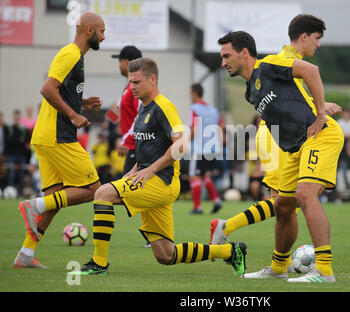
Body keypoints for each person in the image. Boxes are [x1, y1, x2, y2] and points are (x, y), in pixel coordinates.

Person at [70, 58, 247, 276]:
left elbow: (181, 144)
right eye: (130, 82)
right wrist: (134, 172)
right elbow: (146, 152)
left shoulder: (163, 106)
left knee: (102, 194)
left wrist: (150, 170)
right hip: (151, 180)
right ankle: (229, 251)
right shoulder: (143, 109)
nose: (132, 86)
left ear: (153, 79)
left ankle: (99, 263)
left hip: (162, 183)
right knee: (165, 255)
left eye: (137, 82)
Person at [218, 14, 344, 283]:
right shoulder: (251, 91)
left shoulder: (270, 64)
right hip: (293, 149)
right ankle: (278, 268)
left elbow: (311, 71)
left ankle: (324, 270)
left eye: (227, 56)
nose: (223, 62)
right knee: (283, 206)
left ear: (244, 53)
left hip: (320, 135)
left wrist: (321, 113)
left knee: (306, 195)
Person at [14, 12, 105, 269]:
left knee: (54, 202)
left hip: (47, 136)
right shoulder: (71, 54)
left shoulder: (76, 57)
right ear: (89, 30)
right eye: (102, 30)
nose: (104, 36)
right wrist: (74, 114)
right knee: (93, 189)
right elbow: (47, 89)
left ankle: (25, 255)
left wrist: (82, 103)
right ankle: (33, 206)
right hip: (57, 136)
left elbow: (60, 91)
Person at [188, 83, 223, 214]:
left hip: (200, 148)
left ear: (195, 93)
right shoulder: (213, 110)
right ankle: (216, 201)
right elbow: (220, 126)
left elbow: (194, 127)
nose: (189, 95)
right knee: (206, 175)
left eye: (190, 92)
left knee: (194, 176)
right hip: (213, 147)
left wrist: (185, 142)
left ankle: (197, 207)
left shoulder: (194, 108)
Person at [111, 45, 142, 174]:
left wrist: (126, 141)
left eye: (119, 61)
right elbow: (117, 109)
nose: (118, 65)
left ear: (126, 62)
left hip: (136, 147)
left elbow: (140, 114)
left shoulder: (137, 86)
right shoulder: (129, 87)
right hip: (132, 147)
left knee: (126, 190)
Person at [4, 110, 29, 197]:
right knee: (11, 174)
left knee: (21, 174)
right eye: (15, 116)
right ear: (13, 117)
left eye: (18, 116)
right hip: (11, 155)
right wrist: (19, 140)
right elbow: (8, 141)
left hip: (21, 155)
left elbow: (25, 141)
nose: (16, 118)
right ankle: (9, 192)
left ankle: (20, 193)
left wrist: (17, 140)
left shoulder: (23, 129)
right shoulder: (8, 128)